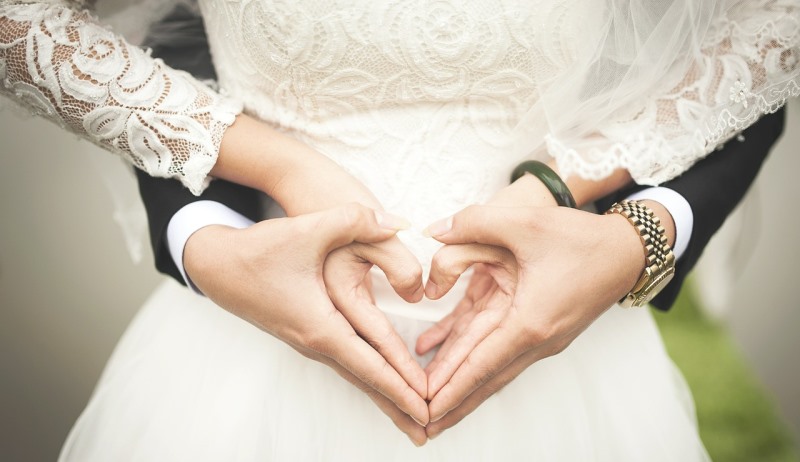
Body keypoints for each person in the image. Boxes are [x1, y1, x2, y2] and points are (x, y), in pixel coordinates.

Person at [0, 0, 796, 460]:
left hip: (561, 364)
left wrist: (587, 203)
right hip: (248, 365)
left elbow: (768, 28)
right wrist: (274, 168)